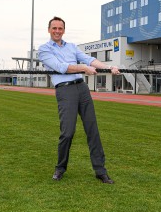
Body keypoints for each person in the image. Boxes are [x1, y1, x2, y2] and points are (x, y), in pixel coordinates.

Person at [38, 16, 120, 184]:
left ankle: (100, 171)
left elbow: (89, 60)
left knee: (92, 130)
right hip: (65, 90)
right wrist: (83, 68)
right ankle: (60, 168)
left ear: (64, 30)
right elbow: (61, 67)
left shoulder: (72, 47)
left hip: (82, 89)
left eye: (60, 28)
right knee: (67, 133)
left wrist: (108, 67)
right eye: (54, 28)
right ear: (49, 30)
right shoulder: (44, 49)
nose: (57, 31)